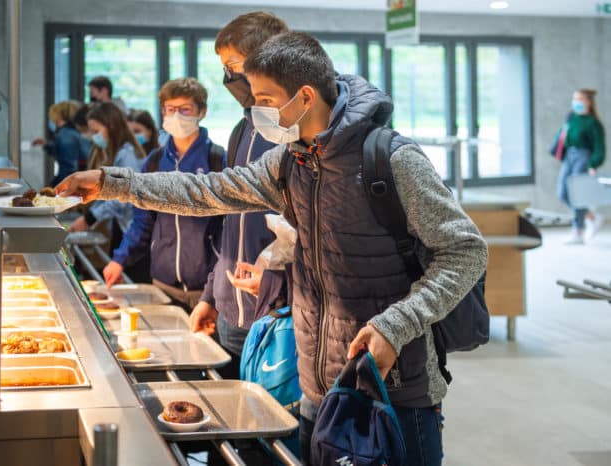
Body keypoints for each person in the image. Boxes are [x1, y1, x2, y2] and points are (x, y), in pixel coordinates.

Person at [57, 32, 488, 466]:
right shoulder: (291, 161)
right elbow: (208, 191)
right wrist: (114, 183)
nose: (256, 109)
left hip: (393, 392)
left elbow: (466, 251)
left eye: (264, 98)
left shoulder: (391, 160)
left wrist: (396, 324)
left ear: (304, 96)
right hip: (318, 389)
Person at [189, 11, 288, 379]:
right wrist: (211, 296)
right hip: (232, 310)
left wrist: (278, 285)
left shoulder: (293, 133)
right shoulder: (240, 129)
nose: (229, 77)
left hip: (277, 312)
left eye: (233, 65)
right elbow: (229, 224)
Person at [102, 78, 224, 311]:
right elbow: (142, 220)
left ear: (202, 111)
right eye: (171, 109)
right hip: (163, 283)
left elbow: (230, 228)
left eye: (185, 109)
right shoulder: (155, 161)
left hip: (209, 289)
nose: (177, 116)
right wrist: (120, 259)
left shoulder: (217, 159)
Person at [69, 102, 145, 257]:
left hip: (133, 230)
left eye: (96, 131)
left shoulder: (127, 155)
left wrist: (91, 218)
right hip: (122, 226)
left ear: (111, 126)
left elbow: (123, 195)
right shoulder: (115, 153)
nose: (93, 136)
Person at [552, 88, 606, 244]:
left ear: (588, 101)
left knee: (578, 195)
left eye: (580, 99)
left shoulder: (593, 123)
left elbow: (599, 147)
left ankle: (578, 231)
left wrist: (593, 164)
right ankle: (591, 216)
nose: (576, 102)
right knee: (563, 193)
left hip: (584, 157)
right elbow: (563, 135)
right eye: (574, 98)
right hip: (569, 156)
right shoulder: (571, 117)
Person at [32, 101, 82, 187]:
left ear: (60, 115)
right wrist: (47, 144)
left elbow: (69, 166)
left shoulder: (65, 134)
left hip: (69, 180)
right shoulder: (72, 132)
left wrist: (56, 186)